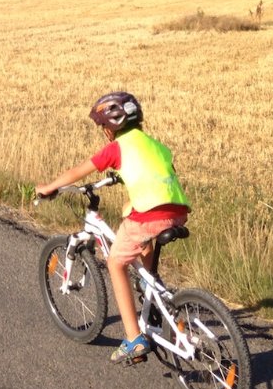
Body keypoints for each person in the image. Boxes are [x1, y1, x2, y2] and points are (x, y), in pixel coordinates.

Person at [36, 91, 190, 364]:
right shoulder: (155, 145)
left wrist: (49, 188)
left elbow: (77, 172)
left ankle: (133, 339)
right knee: (136, 226)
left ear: (111, 127)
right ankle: (148, 282)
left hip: (152, 215)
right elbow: (159, 176)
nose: (103, 131)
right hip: (177, 211)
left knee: (116, 262)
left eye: (102, 126)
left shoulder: (116, 148)